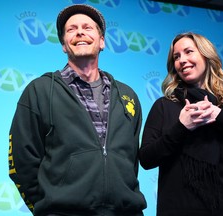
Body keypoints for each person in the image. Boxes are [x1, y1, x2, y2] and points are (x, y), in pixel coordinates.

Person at [8, 4, 146, 216]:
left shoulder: (127, 96)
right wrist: (49, 207)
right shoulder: (40, 90)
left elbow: (130, 161)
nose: (80, 32)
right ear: (64, 44)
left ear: (102, 42)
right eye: (71, 29)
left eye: (87, 27)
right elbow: (22, 162)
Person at [139, 32, 223, 216]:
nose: (182, 60)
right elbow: (147, 159)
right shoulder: (164, 107)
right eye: (176, 57)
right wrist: (181, 127)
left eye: (188, 52)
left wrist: (222, 118)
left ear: (206, 55)